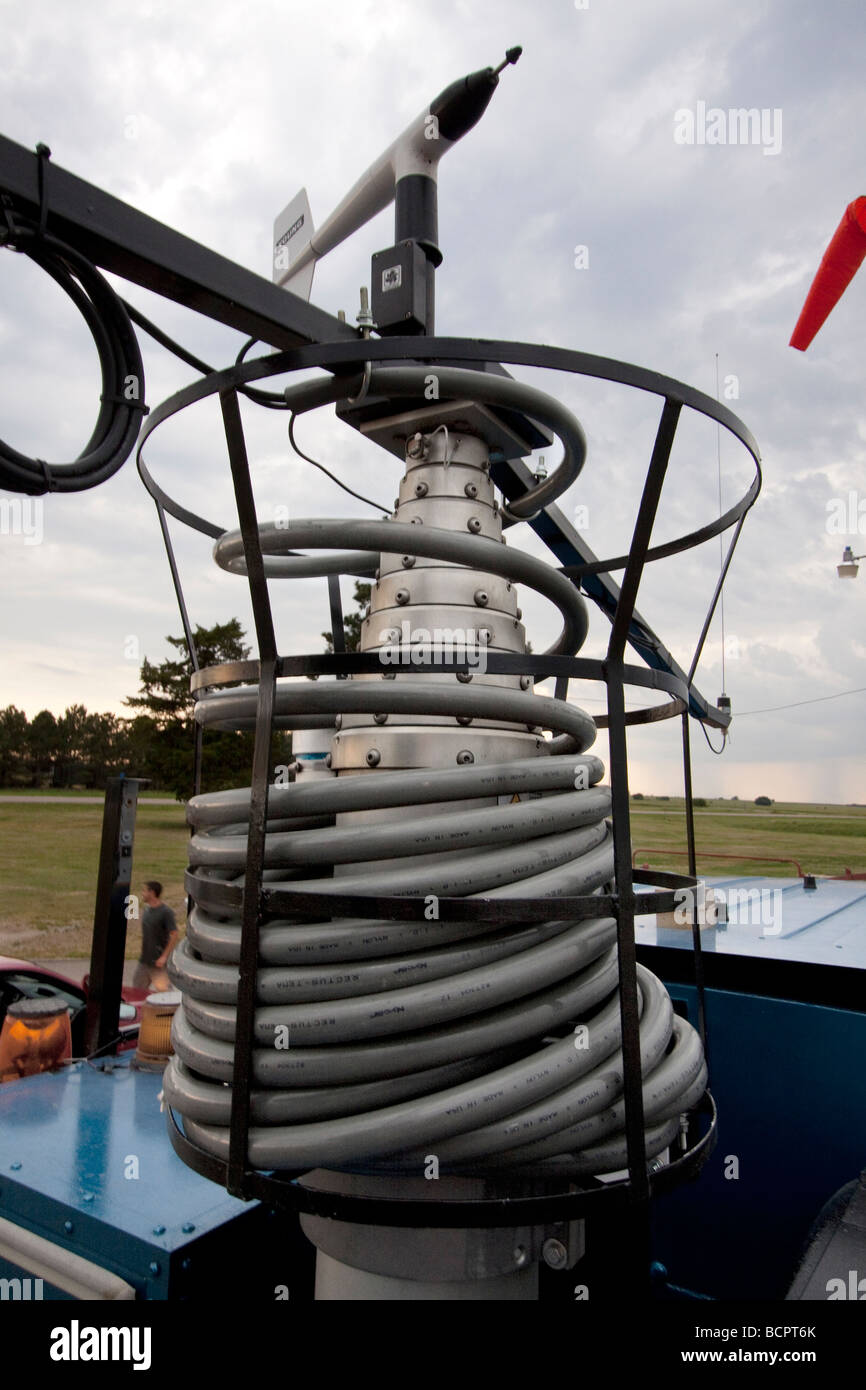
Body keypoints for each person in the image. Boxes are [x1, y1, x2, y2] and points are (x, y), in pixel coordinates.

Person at [133, 881, 179, 992]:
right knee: (136, 991)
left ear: (152, 893)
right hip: (144, 961)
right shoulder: (147, 909)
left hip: (158, 963)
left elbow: (174, 934)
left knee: (165, 995)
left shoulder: (166, 912)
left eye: (144, 890)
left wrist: (164, 956)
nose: (142, 893)